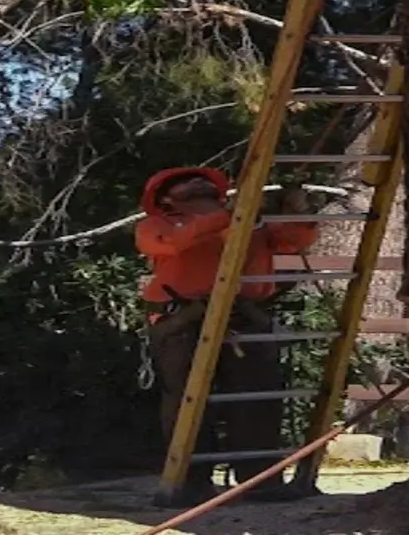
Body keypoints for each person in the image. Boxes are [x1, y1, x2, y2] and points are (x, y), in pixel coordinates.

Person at [136, 166, 319, 504]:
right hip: (183, 319)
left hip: (244, 315)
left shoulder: (251, 223)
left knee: (257, 399)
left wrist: (296, 207)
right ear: (166, 199)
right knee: (185, 402)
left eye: (202, 182)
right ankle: (188, 482)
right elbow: (175, 243)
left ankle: (260, 481)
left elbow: (297, 240)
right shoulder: (155, 226)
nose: (197, 183)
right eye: (184, 184)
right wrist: (228, 217)